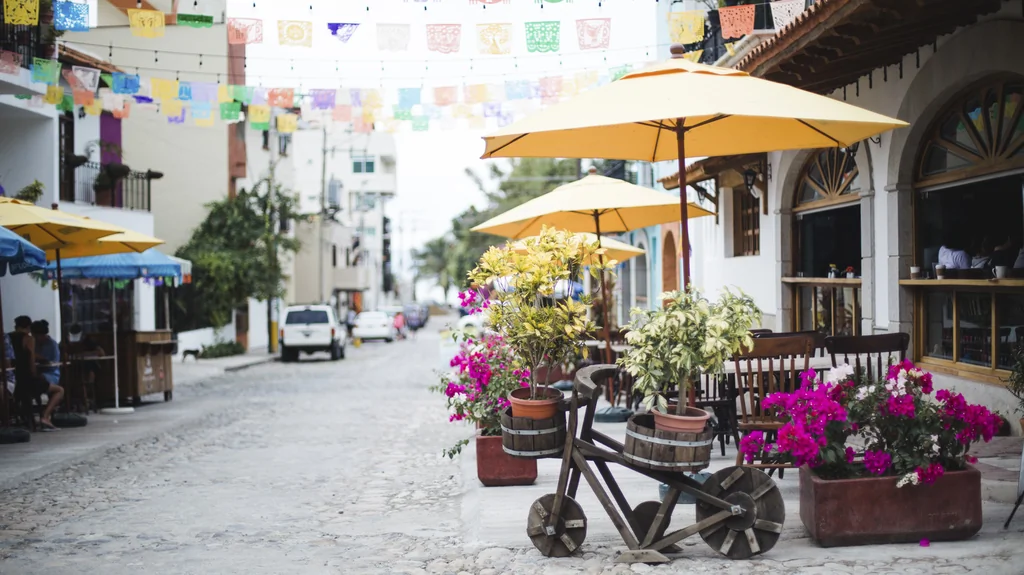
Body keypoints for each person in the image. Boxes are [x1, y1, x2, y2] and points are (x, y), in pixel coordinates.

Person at [9, 316, 63, 430]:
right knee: (59, 390)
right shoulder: (28, 339)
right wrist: (34, 374)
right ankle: (45, 417)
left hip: (14, 378)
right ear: (28, 327)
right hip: (26, 378)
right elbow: (31, 360)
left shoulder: (8, 338)